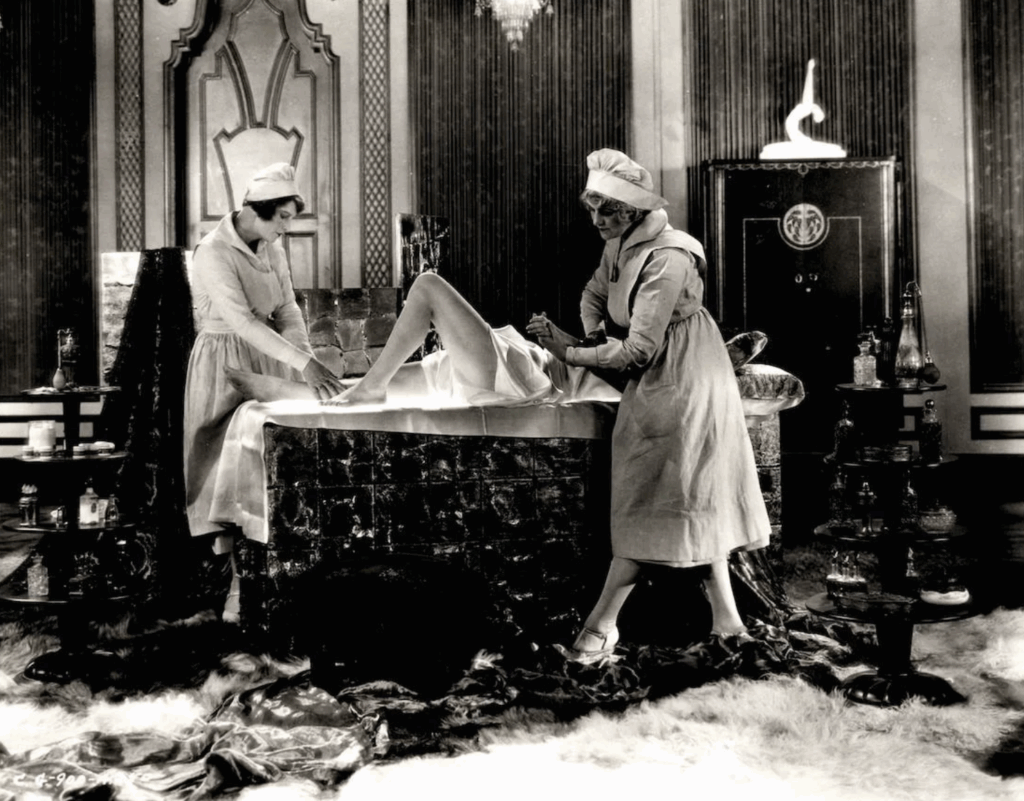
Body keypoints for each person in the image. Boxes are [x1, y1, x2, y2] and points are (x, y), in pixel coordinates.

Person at [227, 150, 771, 659]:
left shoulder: (672, 285)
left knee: (428, 287)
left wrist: (571, 348)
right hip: (548, 364)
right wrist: (586, 333)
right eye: (594, 211)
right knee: (403, 377)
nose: (598, 221)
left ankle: (608, 625)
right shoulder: (625, 246)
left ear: (631, 210)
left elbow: (638, 352)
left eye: (607, 212)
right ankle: (310, 392)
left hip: (543, 376)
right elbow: (594, 295)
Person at [183, 162, 346, 623]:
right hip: (224, 363)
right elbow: (240, 322)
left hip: (270, 358)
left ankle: (277, 582)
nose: (287, 227)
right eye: (284, 217)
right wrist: (303, 365)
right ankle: (235, 586)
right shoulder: (213, 251)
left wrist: (305, 363)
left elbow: (288, 310)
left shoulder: (272, 247)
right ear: (258, 210)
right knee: (227, 473)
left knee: (267, 464)